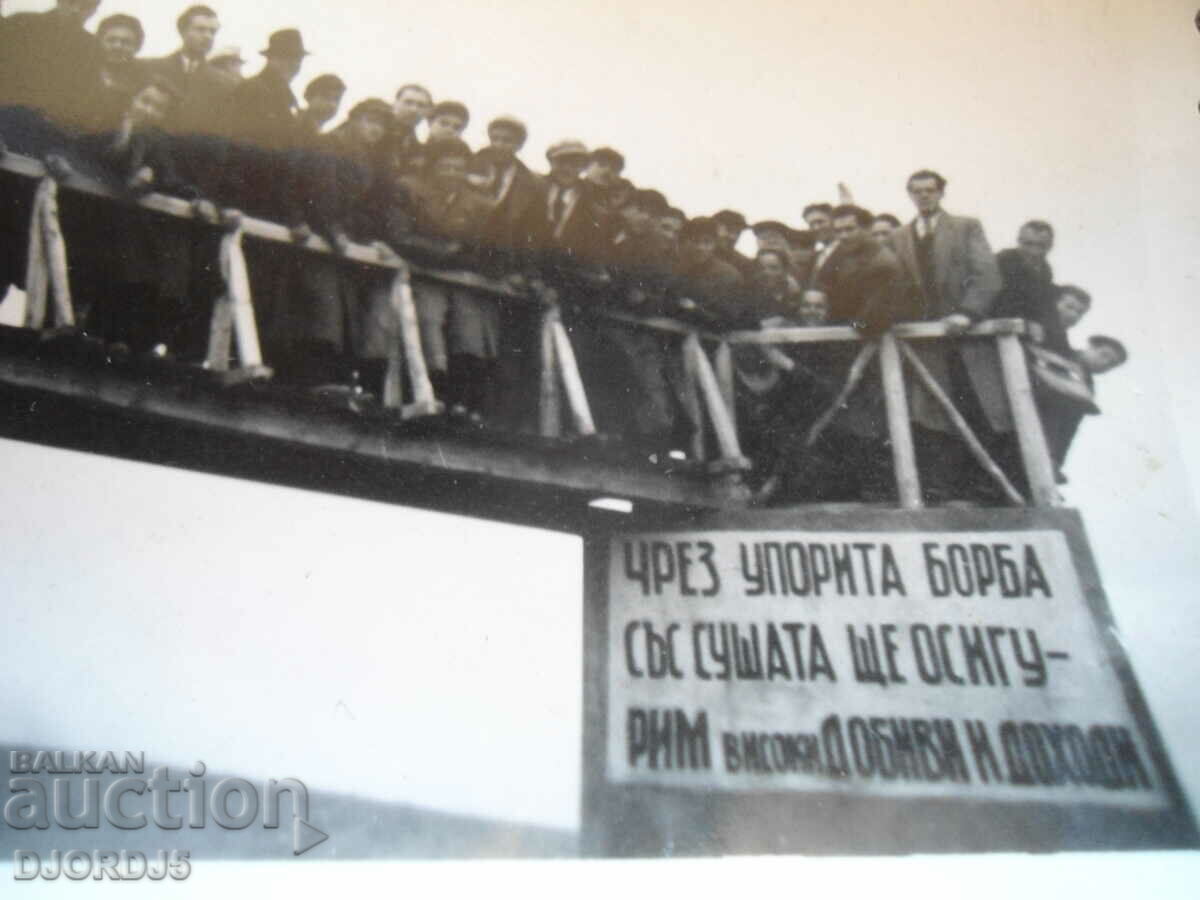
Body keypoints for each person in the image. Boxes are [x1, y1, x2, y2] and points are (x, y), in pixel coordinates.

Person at [889, 168, 1006, 504]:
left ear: (941, 193)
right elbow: (893, 282)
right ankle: (942, 488)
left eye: (929, 190)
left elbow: (987, 275)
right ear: (910, 195)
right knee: (932, 414)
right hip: (924, 341)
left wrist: (968, 312)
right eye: (917, 191)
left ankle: (986, 487)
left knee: (978, 406)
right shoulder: (899, 237)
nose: (923, 196)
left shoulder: (966, 227)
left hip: (963, 336)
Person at [401, 136, 501, 418]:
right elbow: (402, 236)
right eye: (445, 167)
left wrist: (457, 256)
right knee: (429, 318)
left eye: (459, 168)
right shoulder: (411, 189)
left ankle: (463, 402)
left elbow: (486, 249)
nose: (452, 174)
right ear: (432, 168)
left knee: (470, 328)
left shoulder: (480, 203)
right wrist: (447, 252)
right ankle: (432, 392)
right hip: (423, 273)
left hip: (462, 279)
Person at [993, 220, 1060, 345]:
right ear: (1019, 241)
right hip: (997, 326)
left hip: (1022, 330)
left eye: (1041, 246)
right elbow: (1002, 301)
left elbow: (1043, 305)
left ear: (1050, 246)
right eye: (1028, 244)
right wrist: (1028, 323)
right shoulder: (1003, 260)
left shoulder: (1045, 270)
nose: (1034, 251)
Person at [80, 14, 148, 134]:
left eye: (126, 42)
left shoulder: (143, 84)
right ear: (99, 42)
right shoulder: (80, 74)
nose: (117, 46)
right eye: (111, 40)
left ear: (137, 47)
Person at [713, 210, 754, 276]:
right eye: (729, 230)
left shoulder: (744, 263)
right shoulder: (699, 258)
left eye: (738, 232)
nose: (733, 237)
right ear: (715, 229)